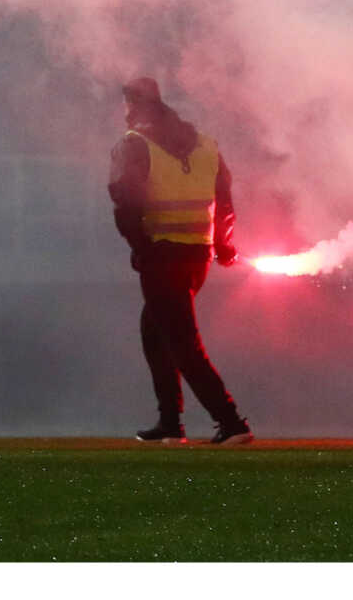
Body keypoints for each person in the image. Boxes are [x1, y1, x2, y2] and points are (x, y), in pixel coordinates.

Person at [107, 77, 251, 446]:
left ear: (134, 105)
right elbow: (225, 200)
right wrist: (223, 245)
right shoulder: (205, 145)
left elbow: (126, 203)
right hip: (196, 256)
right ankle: (170, 424)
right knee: (155, 333)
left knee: (182, 343)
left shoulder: (134, 145)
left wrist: (140, 248)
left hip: (162, 255)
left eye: (127, 105)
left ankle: (231, 422)